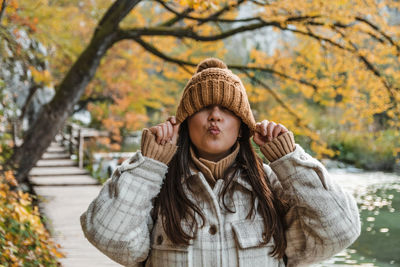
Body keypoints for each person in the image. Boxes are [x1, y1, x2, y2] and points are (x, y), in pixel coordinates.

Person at [80, 58, 360, 267]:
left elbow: (340, 232)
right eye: (203, 107)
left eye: (227, 109)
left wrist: (288, 160)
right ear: (186, 122)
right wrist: (148, 165)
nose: (215, 116)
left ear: (242, 126)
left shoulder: (272, 188)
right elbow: (109, 238)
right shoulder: (158, 187)